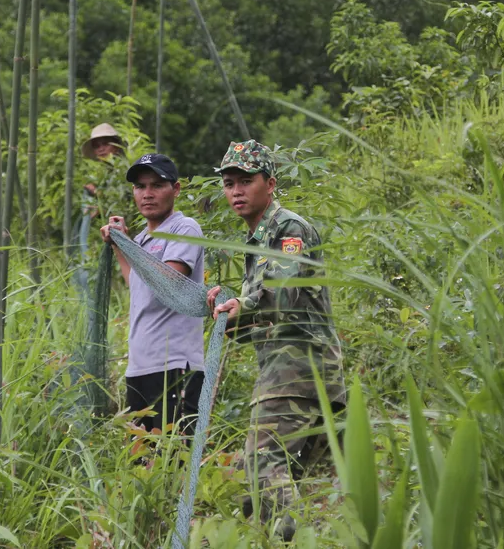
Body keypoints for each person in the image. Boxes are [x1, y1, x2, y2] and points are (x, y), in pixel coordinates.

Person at [205, 139, 346, 540]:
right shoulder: (257, 240)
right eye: (229, 182)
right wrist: (227, 316)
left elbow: (286, 293)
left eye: (246, 181)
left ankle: (292, 542)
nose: (235, 190)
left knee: (262, 469)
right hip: (295, 374)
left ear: (270, 183)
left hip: (297, 372)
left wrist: (243, 305)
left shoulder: (288, 228)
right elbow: (267, 315)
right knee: (271, 485)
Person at [101, 153, 206, 435]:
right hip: (139, 367)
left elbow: (168, 282)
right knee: (143, 461)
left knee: (175, 460)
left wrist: (129, 247)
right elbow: (137, 283)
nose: (147, 194)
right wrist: (120, 244)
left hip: (174, 366)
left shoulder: (184, 229)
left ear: (176, 189)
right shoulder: (142, 241)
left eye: (157, 185)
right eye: (140, 187)